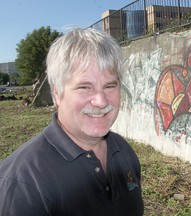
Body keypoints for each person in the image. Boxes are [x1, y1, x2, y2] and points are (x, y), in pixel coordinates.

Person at [0, 28, 144, 216]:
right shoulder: (22, 182)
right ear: (57, 94)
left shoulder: (123, 151)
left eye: (110, 86)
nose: (101, 101)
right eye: (84, 87)